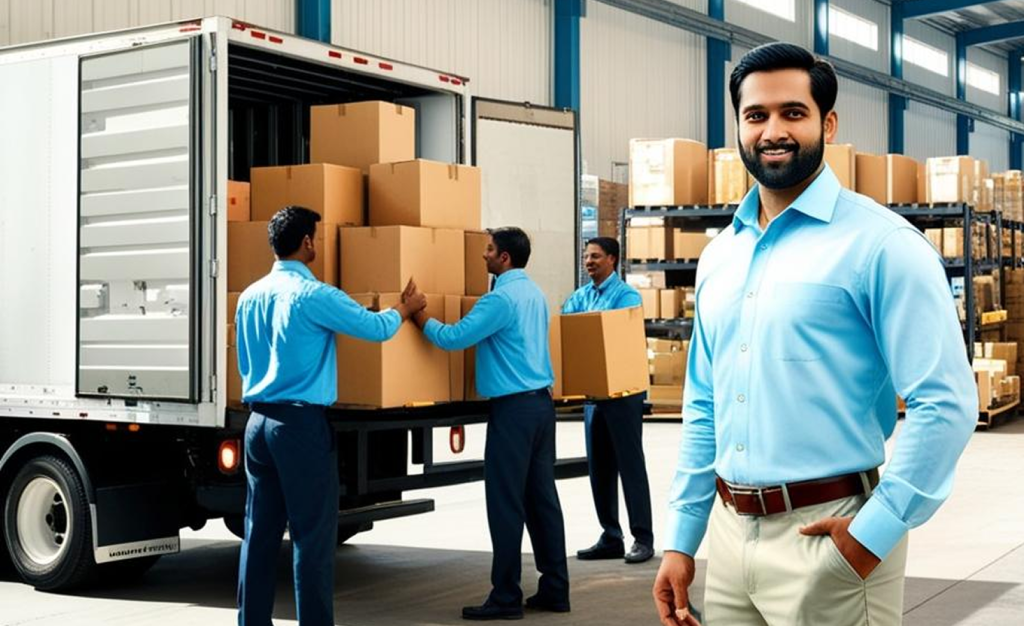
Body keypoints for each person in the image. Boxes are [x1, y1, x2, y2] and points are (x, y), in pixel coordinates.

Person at [652, 43, 978, 626]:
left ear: (827, 123)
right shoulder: (721, 256)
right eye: (756, 116)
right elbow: (706, 403)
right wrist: (682, 538)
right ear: (738, 129)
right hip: (728, 538)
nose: (773, 130)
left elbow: (946, 402)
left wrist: (871, 534)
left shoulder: (882, 245)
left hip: (829, 533)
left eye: (792, 113)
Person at [235, 206, 426, 626]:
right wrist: (406, 308)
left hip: (257, 424)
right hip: (298, 426)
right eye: (316, 237)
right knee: (311, 537)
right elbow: (375, 329)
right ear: (307, 242)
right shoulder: (315, 295)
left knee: (260, 533)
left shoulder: (248, 296)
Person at [412, 227, 570, 620]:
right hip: (539, 406)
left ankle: (505, 596)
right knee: (542, 501)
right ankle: (555, 589)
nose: (483, 255)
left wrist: (419, 316)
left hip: (513, 411)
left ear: (504, 259)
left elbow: (453, 338)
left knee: (505, 504)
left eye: (489, 250)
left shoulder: (499, 300)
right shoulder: (534, 293)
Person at [562, 237, 654, 564]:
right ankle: (610, 536)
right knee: (599, 467)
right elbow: (568, 332)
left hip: (623, 394)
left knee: (629, 465)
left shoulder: (626, 296)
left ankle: (642, 537)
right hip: (593, 394)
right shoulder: (579, 297)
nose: (589, 261)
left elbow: (616, 339)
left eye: (596, 257)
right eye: (586, 256)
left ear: (612, 259)